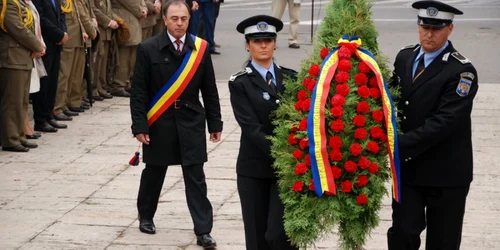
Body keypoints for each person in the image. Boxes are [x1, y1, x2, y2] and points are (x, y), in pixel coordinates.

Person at [130, 0, 222, 248]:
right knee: (154, 172)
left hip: (191, 121)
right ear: (165, 20)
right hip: (160, 121)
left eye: (183, 18)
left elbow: (210, 90)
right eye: (174, 19)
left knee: (195, 176)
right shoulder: (148, 48)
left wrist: (215, 123)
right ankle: (146, 216)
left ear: (189, 20)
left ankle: (203, 230)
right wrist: (139, 126)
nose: (179, 23)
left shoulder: (200, 48)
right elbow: (138, 91)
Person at [387, 1, 479, 250]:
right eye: (425, 26)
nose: (429, 33)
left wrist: (395, 143)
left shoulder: (462, 71)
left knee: (443, 242)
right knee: (402, 234)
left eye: (436, 28)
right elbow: (391, 97)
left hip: (446, 173)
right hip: (410, 169)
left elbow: (444, 122)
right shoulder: (405, 57)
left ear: (450, 29)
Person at [229, 15, 298, 250]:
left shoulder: (291, 78)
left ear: (275, 43)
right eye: (256, 41)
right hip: (254, 169)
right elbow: (252, 128)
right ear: (247, 45)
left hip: (286, 172)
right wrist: (283, 153)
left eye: (268, 40)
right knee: (257, 237)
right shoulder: (239, 83)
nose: (263, 46)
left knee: (281, 235)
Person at [0, 0, 45, 152]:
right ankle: (10, 139)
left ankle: (19, 135)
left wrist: (37, 45)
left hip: (23, 56)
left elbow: (29, 27)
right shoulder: (8, 3)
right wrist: (36, 45)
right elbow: (17, 28)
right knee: (12, 101)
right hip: (13, 56)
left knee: (21, 100)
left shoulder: (20, 2)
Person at [32, 0, 69, 127]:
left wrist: (63, 32)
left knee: (53, 82)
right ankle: (40, 119)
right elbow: (40, 18)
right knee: (44, 83)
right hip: (45, 43)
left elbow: (61, 14)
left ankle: (48, 114)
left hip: (56, 44)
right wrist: (58, 34)